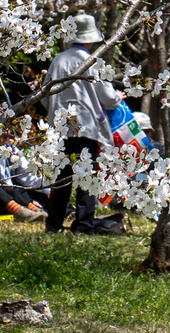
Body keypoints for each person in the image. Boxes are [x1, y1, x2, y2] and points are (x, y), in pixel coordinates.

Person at [42, 14, 123, 233]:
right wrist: (118, 98)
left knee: (62, 176)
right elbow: (107, 96)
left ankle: (53, 223)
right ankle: (84, 224)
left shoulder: (58, 60)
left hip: (61, 126)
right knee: (86, 175)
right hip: (86, 125)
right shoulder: (92, 61)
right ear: (91, 38)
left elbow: (43, 93)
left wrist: (52, 111)